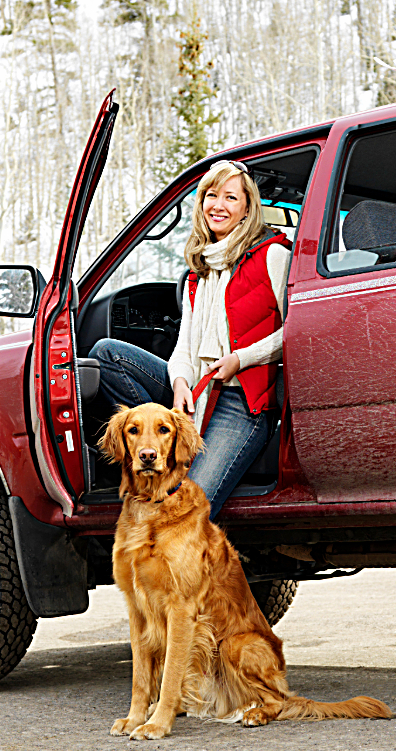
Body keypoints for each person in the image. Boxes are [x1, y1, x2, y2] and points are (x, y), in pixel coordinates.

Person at [89, 159, 291, 521]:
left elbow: (297, 331)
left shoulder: (273, 256)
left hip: (241, 402)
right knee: (107, 354)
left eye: (231, 197)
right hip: (197, 391)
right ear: (201, 203)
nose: (219, 205)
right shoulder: (200, 271)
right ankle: (161, 445)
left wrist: (241, 359)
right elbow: (184, 345)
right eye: (211, 195)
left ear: (247, 208)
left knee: (185, 513)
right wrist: (180, 382)